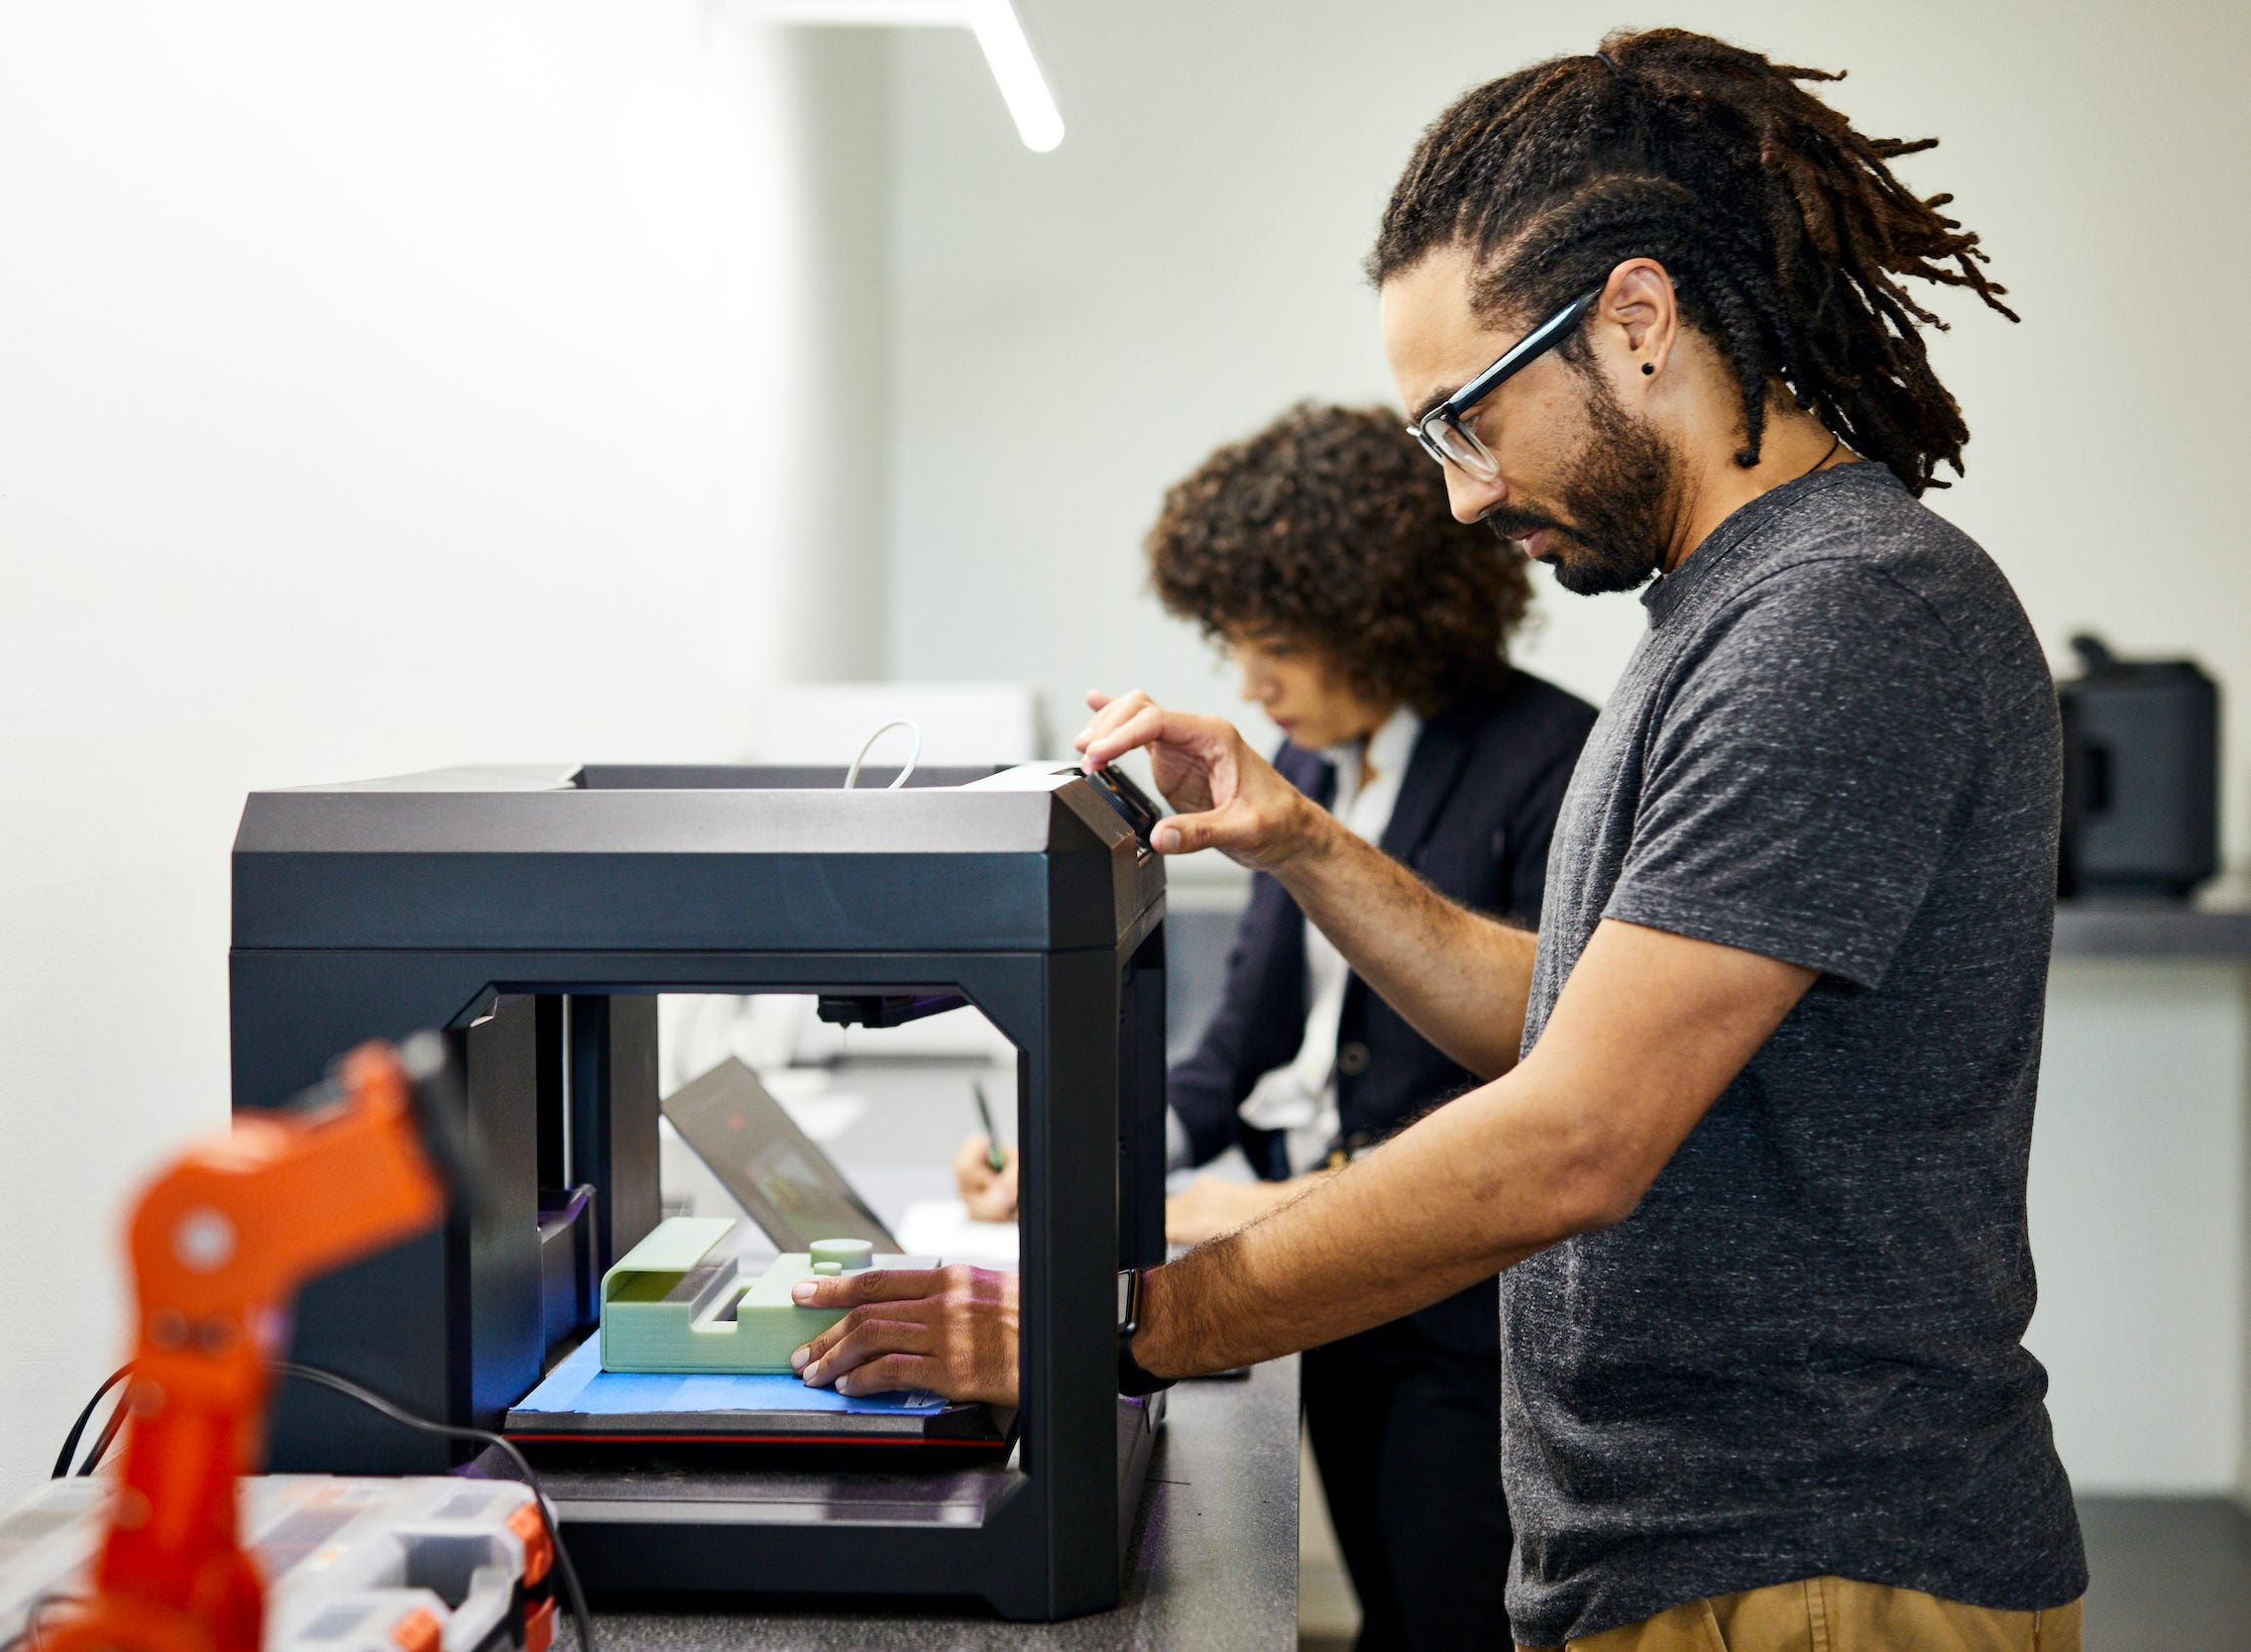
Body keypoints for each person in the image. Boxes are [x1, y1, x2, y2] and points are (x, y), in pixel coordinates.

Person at [790, 29, 2084, 1652]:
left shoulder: (1842, 616)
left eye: (1468, 420)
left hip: (1805, 1570)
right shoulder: (1729, 616)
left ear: (1633, 318)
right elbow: (1559, 1014)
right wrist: (1299, 837)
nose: (1465, 496)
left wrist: (1123, 1325)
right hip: (1706, 1560)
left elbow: (1571, 1135)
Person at [955, 400, 1595, 1652]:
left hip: (1466, 1319)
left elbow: (1536, 1079)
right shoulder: (1304, 768)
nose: (1251, 684)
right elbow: (1230, 1055)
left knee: (1446, 1617)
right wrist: (1078, 1161)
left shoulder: (1549, 759)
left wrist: (1215, 1214)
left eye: (1280, 647)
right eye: (1234, 645)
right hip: (1331, 1287)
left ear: (1389, 618)